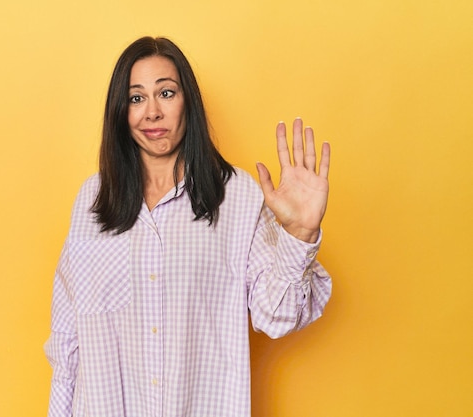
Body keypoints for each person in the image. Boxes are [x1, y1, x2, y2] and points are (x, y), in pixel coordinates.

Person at [44, 36, 332, 416]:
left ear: (187, 102)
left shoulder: (237, 196)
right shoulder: (93, 200)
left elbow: (276, 317)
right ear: (120, 111)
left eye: (166, 93)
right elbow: (67, 343)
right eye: (135, 98)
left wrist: (300, 234)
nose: (151, 113)